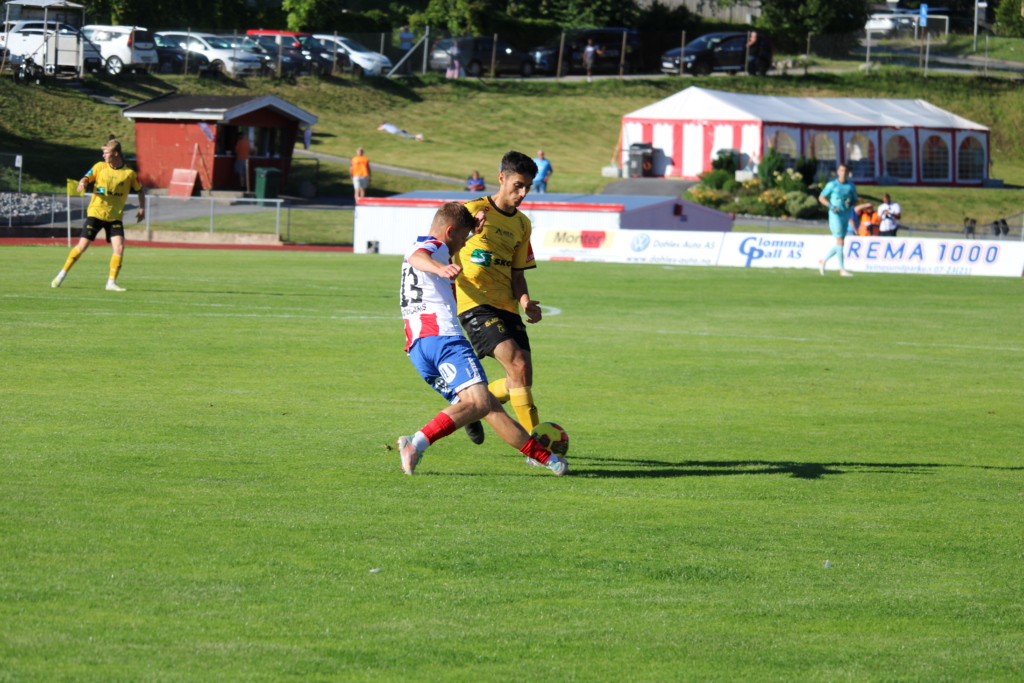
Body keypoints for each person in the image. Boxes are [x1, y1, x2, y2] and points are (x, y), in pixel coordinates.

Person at [396, 201, 568, 476]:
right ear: (450, 231)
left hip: (418, 348)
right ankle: (415, 443)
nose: (464, 244)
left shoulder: (427, 246)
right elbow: (419, 256)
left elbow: (424, 252)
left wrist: (470, 234)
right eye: (462, 237)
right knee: (478, 404)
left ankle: (547, 459)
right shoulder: (432, 249)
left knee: (488, 407)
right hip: (444, 340)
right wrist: (440, 270)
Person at [456, 150, 543, 449]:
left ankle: (473, 406)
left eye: (528, 187)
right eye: (518, 185)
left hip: (507, 305)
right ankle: (537, 448)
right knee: (517, 364)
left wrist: (526, 302)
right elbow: (441, 244)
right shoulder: (471, 210)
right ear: (501, 178)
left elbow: (518, 275)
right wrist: (469, 234)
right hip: (474, 302)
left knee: (521, 376)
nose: (523, 193)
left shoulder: (523, 224)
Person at [51, 139, 145, 292]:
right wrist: (82, 182)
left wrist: (142, 209)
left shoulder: (129, 173)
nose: (103, 155)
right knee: (82, 246)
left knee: (119, 248)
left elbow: (140, 190)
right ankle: (61, 275)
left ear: (116, 153)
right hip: (96, 213)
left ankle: (111, 283)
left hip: (115, 217)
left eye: (106, 153)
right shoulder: (99, 167)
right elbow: (86, 177)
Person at [817, 163, 857, 277]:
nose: (843, 173)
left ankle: (823, 260)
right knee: (840, 241)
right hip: (835, 216)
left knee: (841, 242)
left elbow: (854, 199)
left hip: (845, 215)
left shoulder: (850, 186)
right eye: (841, 170)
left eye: (845, 171)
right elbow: (821, 197)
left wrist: (850, 202)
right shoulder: (832, 185)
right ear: (838, 172)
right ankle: (842, 269)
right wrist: (831, 206)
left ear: (847, 172)